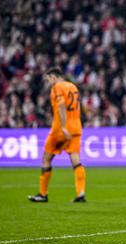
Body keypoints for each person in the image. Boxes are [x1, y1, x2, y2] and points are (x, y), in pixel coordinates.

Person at [28, 67, 86, 203]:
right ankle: (81, 193)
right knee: (76, 161)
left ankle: (43, 194)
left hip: (61, 129)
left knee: (46, 159)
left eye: (48, 79)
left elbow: (61, 105)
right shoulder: (73, 87)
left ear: (53, 77)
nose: (49, 83)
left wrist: (64, 127)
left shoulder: (56, 87)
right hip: (76, 128)